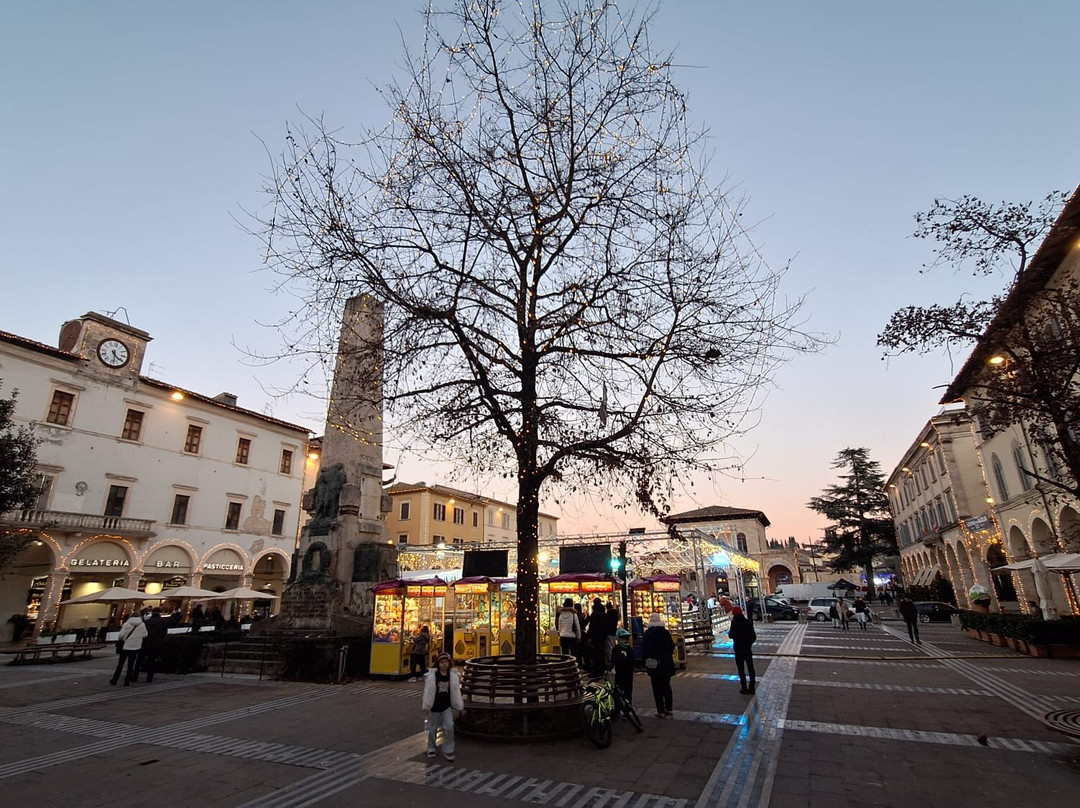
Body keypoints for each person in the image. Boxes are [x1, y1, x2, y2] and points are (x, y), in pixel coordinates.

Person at [422, 652, 464, 762]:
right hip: (434, 706)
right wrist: (426, 705)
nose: (444, 664)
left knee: (449, 726)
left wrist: (458, 703)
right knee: (432, 729)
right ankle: (431, 748)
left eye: (446, 662)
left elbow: (455, 690)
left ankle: (448, 749)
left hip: (446, 706)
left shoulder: (452, 675)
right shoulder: (433, 676)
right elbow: (428, 691)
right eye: (442, 662)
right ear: (438, 664)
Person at [641, 612, 675, 718]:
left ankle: (660, 710)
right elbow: (672, 646)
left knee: (656, 688)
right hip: (666, 663)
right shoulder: (665, 632)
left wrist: (644, 660)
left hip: (654, 664)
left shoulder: (648, 633)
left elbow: (645, 649)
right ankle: (669, 708)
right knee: (666, 686)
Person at [110, 612, 147, 686]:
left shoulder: (126, 624)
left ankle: (115, 680)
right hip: (135, 647)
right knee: (131, 665)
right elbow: (145, 634)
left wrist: (124, 638)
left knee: (120, 664)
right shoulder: (142, 625)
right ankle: (127, 681)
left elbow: (121, 635)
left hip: (125, 646)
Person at [728, 606, 757, 695]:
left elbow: (731, 635)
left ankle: (744, 687)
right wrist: (749, 644)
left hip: (738, 648)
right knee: (751, 668)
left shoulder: (734, 622)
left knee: (741, 669)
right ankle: (752, 688)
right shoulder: (748, 622)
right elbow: (753, 636)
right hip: (747, 648)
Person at [141, 608, 169, 683]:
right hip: (157, 643)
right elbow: (164, 633)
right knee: (153, 660)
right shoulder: (164, 622)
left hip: (147, 643)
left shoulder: (147, 622)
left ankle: (134, 676)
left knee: (141, 659)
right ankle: (150, 677)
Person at [610, 628, 635, 707]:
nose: (625, 640)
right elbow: (613, 660)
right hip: (620, 674)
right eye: (623, 638)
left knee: (628, 692)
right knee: (618, 692)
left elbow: (632, 660)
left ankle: (627, 708)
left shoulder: (629, 649)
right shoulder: (616, 649)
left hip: (628, 674)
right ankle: (617, 708)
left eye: (626, 638)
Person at [587, 598, 608, 676]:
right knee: (601, 653)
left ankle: (596, 670)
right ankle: (601, 669)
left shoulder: (594, 614)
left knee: (596, 654)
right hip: (602, 636)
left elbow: (592, 626)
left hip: (596, 636)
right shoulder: (603, 613)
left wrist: (589, 636)